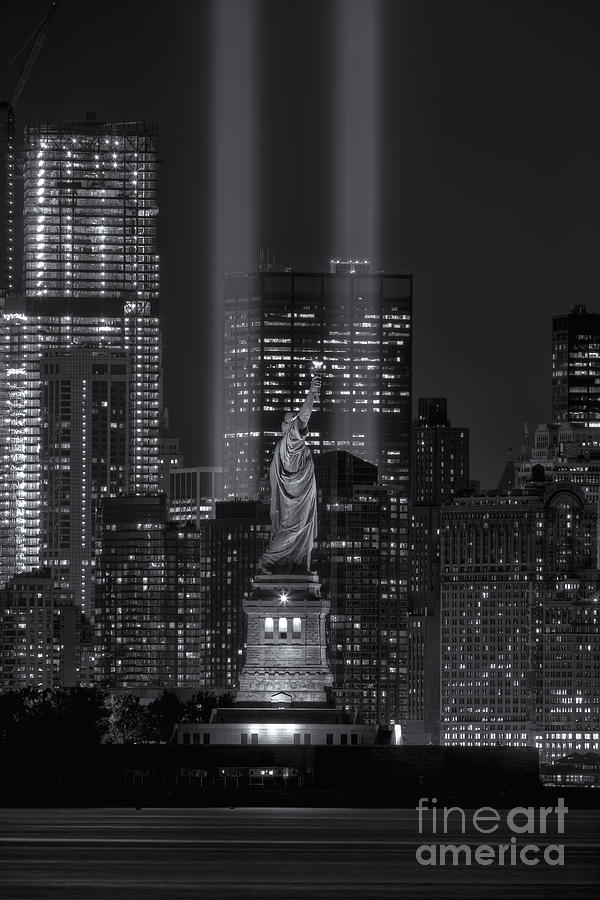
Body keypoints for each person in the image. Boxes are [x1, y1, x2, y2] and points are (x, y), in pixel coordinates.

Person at [256, 371, 322, 574]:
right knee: (292, 529)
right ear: (286, 427)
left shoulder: (292, 445)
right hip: (293, 500)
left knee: (301, 530)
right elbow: (304, 416)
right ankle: (267, 561)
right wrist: (311, 392)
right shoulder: (290, 441)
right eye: (290, 420)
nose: (294, 422)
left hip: (300, 496)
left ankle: (298, 565)